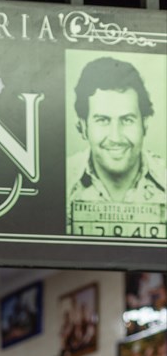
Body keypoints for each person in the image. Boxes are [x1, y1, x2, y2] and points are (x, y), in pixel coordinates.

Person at [67, 57, 166, 233]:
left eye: (127, 120)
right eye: (102, 120)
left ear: (144, 124)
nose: (116, 137)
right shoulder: (59, 181)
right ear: (82, 127)